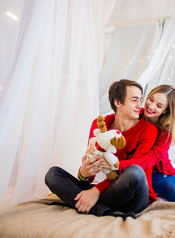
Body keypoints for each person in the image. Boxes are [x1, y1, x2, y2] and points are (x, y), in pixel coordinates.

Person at [45, 79, 158, 220]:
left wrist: (96, 190)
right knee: (53, 174)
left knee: (135, 171)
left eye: (140, 100)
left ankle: (84, 203)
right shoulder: (99, 125)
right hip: (111, 194)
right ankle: (104, 212)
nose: (139, 105)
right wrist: (84, 173)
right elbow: (91, 171)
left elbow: (137, 166)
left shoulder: (147, 129)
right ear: (118, 102)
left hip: (134, 196)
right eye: (134, 100)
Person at [102, 84, 175, 205]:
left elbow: (149, 160)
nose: (151, 106)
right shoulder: (138, 114)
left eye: (159, 106)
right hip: (138, 175)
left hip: (160, 177)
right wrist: (100, 124)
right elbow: (116, 116)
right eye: (151, 99)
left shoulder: (166, 132)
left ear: (165, 110)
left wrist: (118, 165)